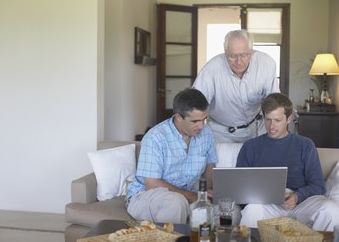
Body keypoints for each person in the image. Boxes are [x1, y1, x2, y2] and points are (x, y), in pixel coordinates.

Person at [237, 93, 339, 231]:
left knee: (331, 209)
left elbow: (318, 186)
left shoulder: (305, 145)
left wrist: (297, 196)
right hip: (267, 205)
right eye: (268, 120)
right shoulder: (250, 147)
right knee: (251, 210)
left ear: (289, 119)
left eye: (277, 120)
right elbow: (240, 188)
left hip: (301, 204)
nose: (271, 126)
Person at [126, 88, 217, 224]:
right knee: (176, 203)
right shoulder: (155, 137)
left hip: (189, 195)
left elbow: (210, 166)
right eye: (195, 121)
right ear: (179, 117)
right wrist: (193, 197)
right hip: (146, 195)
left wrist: (206, 194)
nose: (201, 126)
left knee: (230, 210)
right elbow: (152, 183)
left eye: (204, 120)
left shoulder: (207, 134)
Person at [193, 29, 280, 143]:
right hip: (221, 133)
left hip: (257, 128)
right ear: (225, 52)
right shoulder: (211, 69)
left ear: (251, 51)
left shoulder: (266, 64)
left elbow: (274, 102)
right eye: (232, 56)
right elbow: (195, 104)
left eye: (243, 55)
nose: (238, 61)